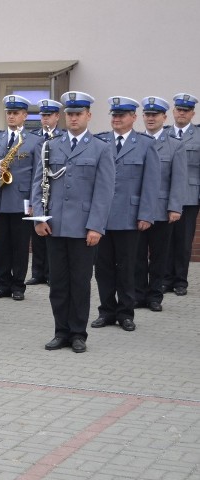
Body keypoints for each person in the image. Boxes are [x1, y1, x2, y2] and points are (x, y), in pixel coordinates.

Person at [32, 91, 115, 353]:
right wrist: (38, 219)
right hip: (54, 226)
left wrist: (95, 226)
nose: (73, 118)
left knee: (79, 283)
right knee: (58, 284)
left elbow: (104, 192)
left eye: (78, 114)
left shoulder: (100, 148)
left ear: (88, 115)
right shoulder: (51, 146)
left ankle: (79, 333)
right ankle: (61, 331)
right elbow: (38, 185)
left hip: (83, 229)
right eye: (70, 114)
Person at [92, 97, 159, 332]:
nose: (116, 119)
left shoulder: (145, 144)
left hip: (130, 217)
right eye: (114, 115)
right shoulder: (100, 141)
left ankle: (125, 313)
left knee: (128, 267)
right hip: (102, 217)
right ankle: (107, 311)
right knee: (103, 268)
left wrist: (146, 215)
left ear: (133, 118)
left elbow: (151, 184)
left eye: (121, 115)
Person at [0, 95, 43, 301]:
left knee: (20, 246)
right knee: (1, 245)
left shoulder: (34, 141)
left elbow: (38, 174)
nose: (11, 116)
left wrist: (33, 202)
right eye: (9, 113)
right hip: (0, 198)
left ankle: (18, 285)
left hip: (22, 200)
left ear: (24, 115)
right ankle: (3, 284)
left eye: (16, 113)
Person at [137, 96, 187, 311]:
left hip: (161, 210)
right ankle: (138, 295)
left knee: (159, 256)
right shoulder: (136, 142)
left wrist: (175, 207)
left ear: (164, 117)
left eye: (154, 115)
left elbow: (179, 179)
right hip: (138, 210)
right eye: (147, 114)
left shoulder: (174, 145)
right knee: (137, 256)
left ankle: (155, 296)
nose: (150, 118)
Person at [164, 93, 199, 296]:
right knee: (165, 240)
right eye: (179, 110)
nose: (182, 113)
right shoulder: (165, 134)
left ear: (192, 113)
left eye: (186, 111)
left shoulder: (198, 135)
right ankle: (165, 280)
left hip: (189, 195)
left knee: (183, 240)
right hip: (166, 196)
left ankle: (180, 282)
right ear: (173, 112)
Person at [27, 99, 65, 286]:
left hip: (55, 191)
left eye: (48, 115)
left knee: (52, 232)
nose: (45, 119)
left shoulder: (62, 137)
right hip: (39, 190)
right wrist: (33, 201)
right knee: (38, 233)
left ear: (57, 116)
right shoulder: (34, 137)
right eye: (42, 116)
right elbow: (32, 169)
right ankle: (37, 272)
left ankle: (50, 273)